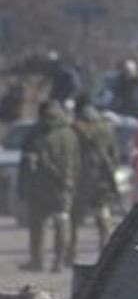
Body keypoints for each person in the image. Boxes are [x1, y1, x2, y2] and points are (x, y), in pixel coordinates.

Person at [22, 100, 79, 273]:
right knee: (62, 221)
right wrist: (73, 183)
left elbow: (26, 163)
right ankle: (59, 262)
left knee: (38, 224)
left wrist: (22, 187)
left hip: (39, 187)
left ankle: (37, 261)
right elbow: (77, 162)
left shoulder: (36, 133)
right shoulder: (69, 133)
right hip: (64, 186)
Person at [69, 97, 123, 264]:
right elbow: (115, 156)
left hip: (82, 182)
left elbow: (72, 156)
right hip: (102, 181)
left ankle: (70, 254)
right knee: (103, 218)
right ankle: (105, 254)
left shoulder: (76, 129)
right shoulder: (106, 128)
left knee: (75, 220)